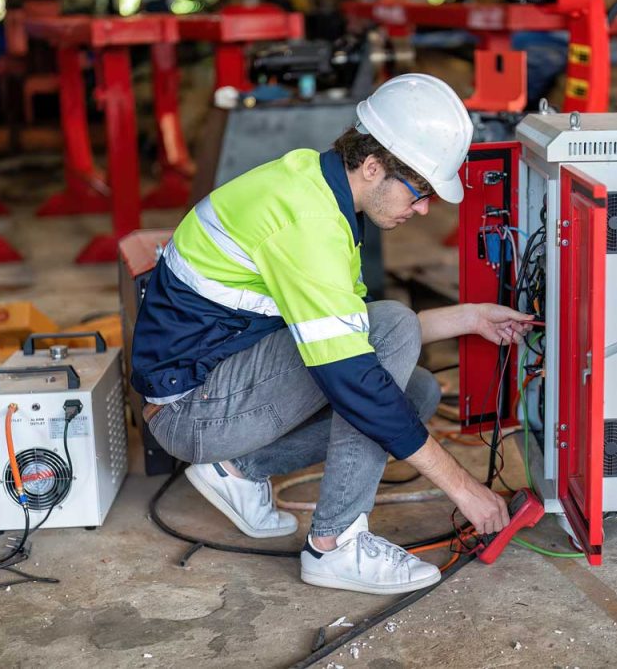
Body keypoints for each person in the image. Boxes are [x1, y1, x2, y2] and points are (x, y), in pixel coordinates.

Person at [131, 73, 532, 595]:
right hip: (191, 413)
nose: (425, 208)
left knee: (417, 393)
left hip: (217, 388)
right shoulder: (310, 223)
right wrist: (464, 489)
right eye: (420, 191)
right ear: (372, 166)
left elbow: (347, 330)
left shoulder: (317, 185)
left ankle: (240, 469)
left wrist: (471, 316)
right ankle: (335, 545)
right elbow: (357, 368)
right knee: (379, 362)